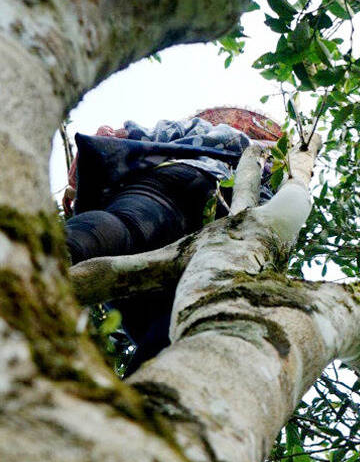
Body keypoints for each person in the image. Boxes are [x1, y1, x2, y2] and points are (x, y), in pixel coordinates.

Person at [64, 107, 281, 372]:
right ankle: (148, 397)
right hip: (225, 223)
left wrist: (87, 172)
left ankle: (45, 258)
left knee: (126, 227)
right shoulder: (269, 167)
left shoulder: (206, 130)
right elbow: (270, 221)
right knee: (176, 325)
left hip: (179, 178)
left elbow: (133, 135)